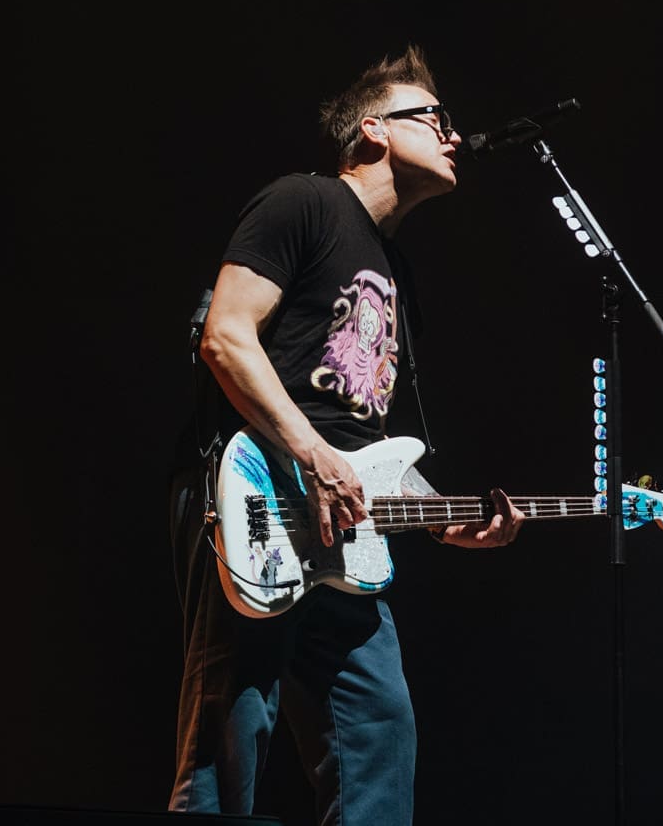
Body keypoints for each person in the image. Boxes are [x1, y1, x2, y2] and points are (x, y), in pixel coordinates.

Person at [168, 45, 525, 824]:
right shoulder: (302, 202)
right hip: (255, 496)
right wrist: (313, 457)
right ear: (373, 129)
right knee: (231, 741)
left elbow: (367, 430)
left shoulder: (395, 271)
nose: (452, 134)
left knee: (379, 735)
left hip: (346, 534)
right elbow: (226, 336)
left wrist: (444, 515)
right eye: (433, 117)